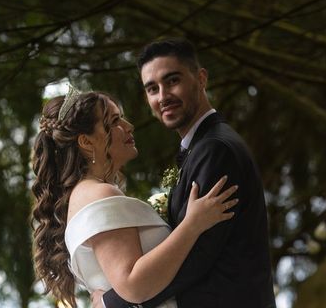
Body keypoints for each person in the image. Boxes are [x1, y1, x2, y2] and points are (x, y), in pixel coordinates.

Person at [97, 38, 277, 308]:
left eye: (172, 81)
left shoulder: (216, 150)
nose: (163, 96)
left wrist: (115, 303)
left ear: (201, 78)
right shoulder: (201, 147)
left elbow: (196, 254)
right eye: (152, 88)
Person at [31, 87, 239, 308]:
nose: (128, 126)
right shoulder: (98, 194)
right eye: (114, 121)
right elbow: (133, 285)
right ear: (87, 142)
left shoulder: (86, 195)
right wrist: (192, 225)